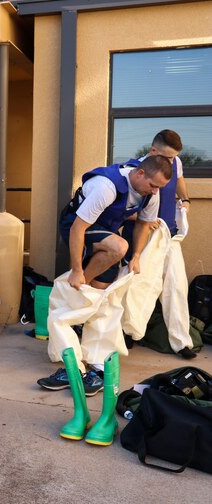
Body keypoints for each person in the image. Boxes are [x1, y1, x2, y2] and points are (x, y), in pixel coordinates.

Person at [37, 154, 172, 393]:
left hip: (105, 232)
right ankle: (71, 368)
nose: (154, 192)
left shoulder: (152, 191)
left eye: (158, 188)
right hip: (76, 227)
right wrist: (78, 271)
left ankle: (93, 365)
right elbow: (78, 228)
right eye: (153, 185)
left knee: (99, 297)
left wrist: (138, 256)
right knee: (118, 248)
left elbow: (142, 223)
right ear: (140, 174)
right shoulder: (106, 187)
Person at [122, 129, 196, 358]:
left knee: (176, 285)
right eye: (167, 157)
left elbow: (180, 181)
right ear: (153, 151)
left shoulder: (175, 162)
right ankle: (126, 333)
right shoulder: (134, 170)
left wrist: (185, 199)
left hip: (169, 235)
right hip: (142, 236)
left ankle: (181, 342)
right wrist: (141, 218)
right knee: (134, 285)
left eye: (174, 158)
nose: (171, 162)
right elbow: (117, 210)